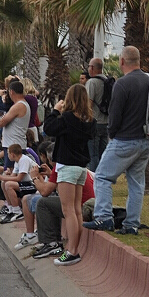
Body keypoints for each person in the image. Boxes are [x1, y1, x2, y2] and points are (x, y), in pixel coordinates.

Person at [83, 46, 149, 236]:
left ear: (122, 61)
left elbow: (114, 116)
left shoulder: (122, 84)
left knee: (102, 176)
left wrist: (112, 134)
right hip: (145, 140)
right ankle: (131, 224)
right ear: (138, 60)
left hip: (124, 139)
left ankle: (104, 217)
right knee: (136, 183)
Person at [42, 83, 96, 264]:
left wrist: (55, 111)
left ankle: (71, 250)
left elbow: (48, 128)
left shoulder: (66, 118)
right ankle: (74, 248)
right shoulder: (89, 121)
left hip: (67, 167)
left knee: (68, 210)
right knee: (77, 210)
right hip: (81, 168)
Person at [85, 57, 111, 171]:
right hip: (106, 123)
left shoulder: (91, 82)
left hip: (94, 123)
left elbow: (88, 103)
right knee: (103, 155)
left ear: (92, 68)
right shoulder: (108, 81)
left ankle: (94, 180)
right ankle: (103, 178)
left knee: (93, 155)